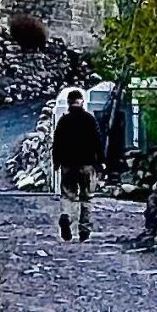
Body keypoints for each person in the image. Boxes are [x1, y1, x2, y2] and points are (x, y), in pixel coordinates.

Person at [51, 86, 104, 241]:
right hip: (87, 164)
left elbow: (57, 142)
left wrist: (56, 162)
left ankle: (66, 215)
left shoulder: (64, 121)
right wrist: (101, 161)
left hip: (68, 164)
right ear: (81, 101)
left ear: (68, 103)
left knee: (67, 195)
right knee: (87, 197)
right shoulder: (89, 119)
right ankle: (84, 229)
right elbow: (97, 141)